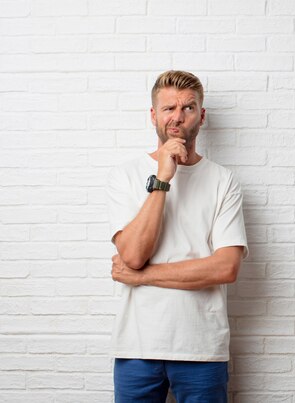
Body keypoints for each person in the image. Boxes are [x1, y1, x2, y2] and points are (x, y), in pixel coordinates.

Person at [106, 70, 248, 403]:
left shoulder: (223, 181)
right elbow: (133, 255)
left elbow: (225, 269)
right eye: (169, 108)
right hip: (137, 346)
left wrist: (140, 277)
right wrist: (162, 179)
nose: (178, 117)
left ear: (202, 115)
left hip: (202, 348)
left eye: (188, 107)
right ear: (153, 115)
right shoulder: (124, 176)